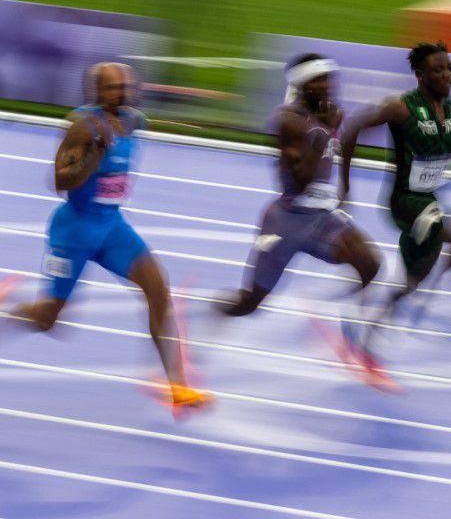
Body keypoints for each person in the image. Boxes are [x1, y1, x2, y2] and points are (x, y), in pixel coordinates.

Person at [6, 63, 210, 413]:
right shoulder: (83, 125)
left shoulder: (132, 120)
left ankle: (176, 384)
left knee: (157, 287)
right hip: (75, 231)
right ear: (95, 92)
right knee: (47, 320)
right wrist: (93, 156)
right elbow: (59, 182)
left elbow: (164, 114)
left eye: (125, 87)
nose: (120, 93)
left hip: (112, 227)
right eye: (112, 88)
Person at [219, 54, 382, 370]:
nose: (325, 86)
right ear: (300, 85)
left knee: (371, 265)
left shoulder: (326, 115)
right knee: (249, 304)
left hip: (322, 219)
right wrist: (326, 131)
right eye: (316, 80)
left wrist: (345, 187)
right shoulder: (288, 120)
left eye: (328, 79)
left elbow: (345, 142)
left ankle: (352, 335)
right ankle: (201, 320)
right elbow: (301, 178)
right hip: (287, 222)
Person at [338, 41, 451, 365]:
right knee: (446, 227)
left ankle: (371, 320)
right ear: (420, 76)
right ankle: (386, 310)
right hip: (403, 203)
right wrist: (345, 185)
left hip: (430, 204)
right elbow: (351, 129)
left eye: (448, 67)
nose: (446, 74)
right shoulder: (401, 108)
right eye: (437, 69)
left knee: (440, 255)